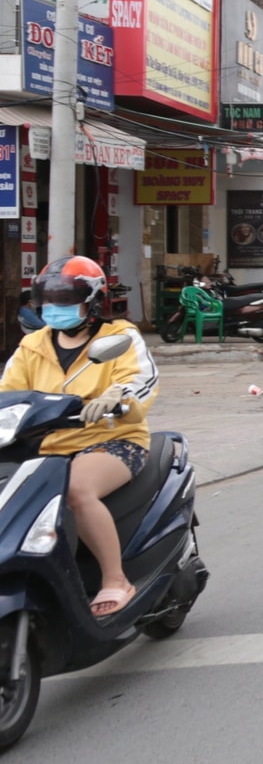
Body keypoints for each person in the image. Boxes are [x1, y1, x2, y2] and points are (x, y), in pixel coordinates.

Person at [0, 257, 160, 617]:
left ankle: (115, 580)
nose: (56, 309)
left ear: (94, 302)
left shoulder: (119, 338)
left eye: (67, 300)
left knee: (75, 490)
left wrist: (116, 396)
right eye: (51, 301)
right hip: (43, 447)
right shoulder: (33, 345)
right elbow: (7, 393)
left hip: (113, 441)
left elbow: (141, 381)